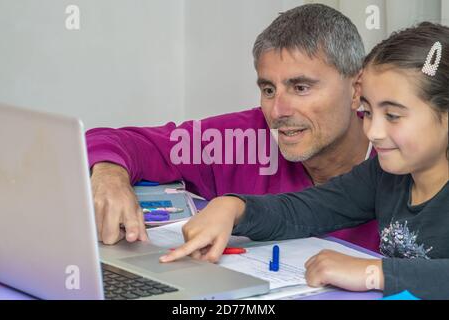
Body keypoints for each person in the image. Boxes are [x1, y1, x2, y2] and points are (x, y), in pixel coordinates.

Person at [161, 23, 449, 300]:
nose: (373, 131)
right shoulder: (384, 175)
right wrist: (235, 208)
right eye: (369, 112)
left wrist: (374, 273)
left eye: (393, 116)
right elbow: (308, 209)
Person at [86, 4, 379, 251]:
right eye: (267, 89)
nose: (277, 111)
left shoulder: (398, 159)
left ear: (356, 90)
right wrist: (109, 174)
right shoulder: (241, 140)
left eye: (300, 87)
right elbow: (120, 141)